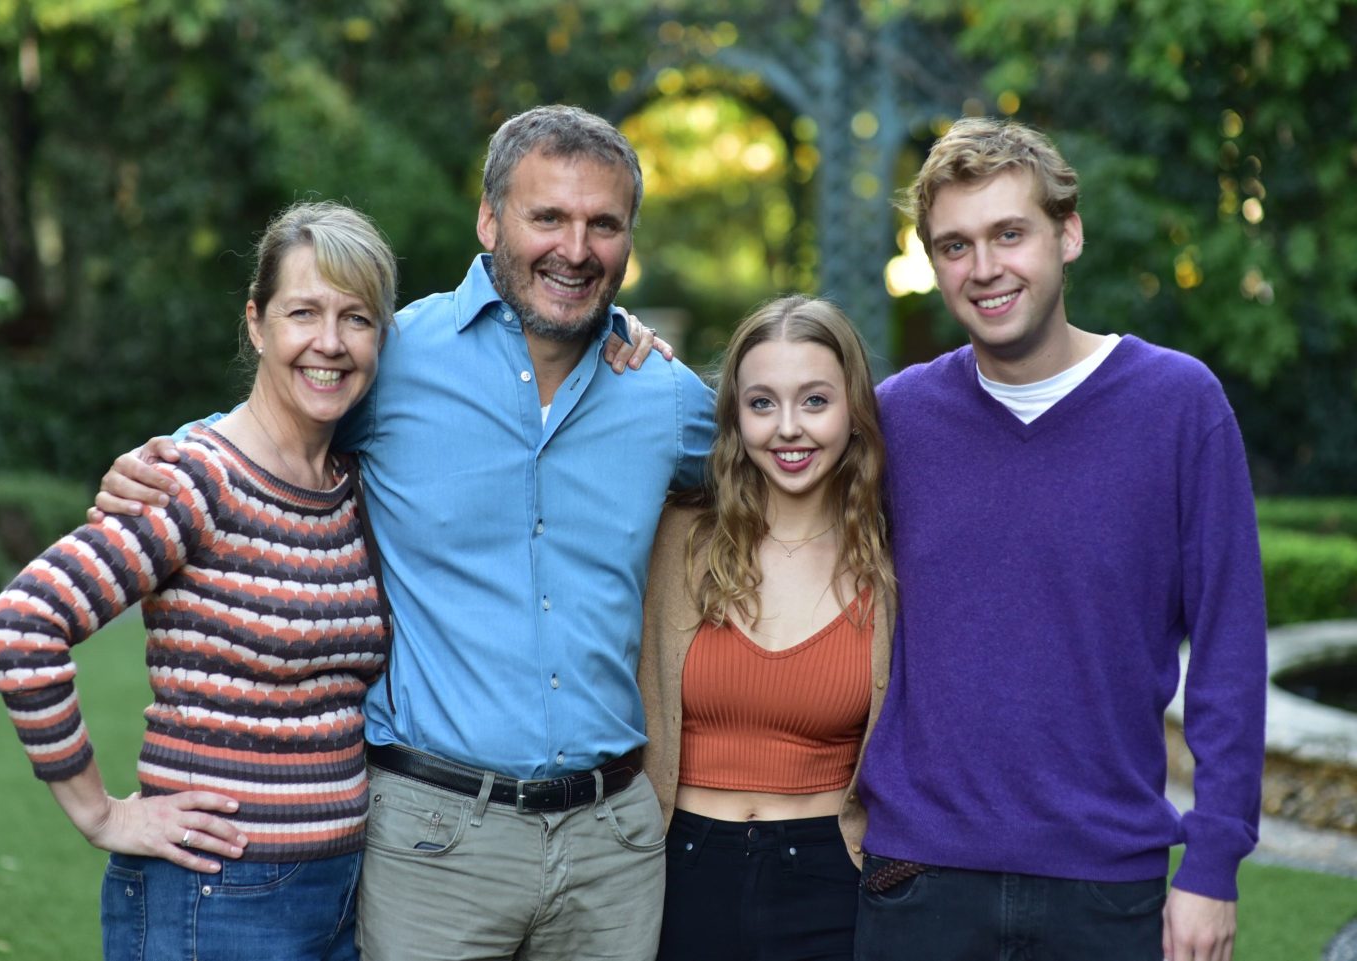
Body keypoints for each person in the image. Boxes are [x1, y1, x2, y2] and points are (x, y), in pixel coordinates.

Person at [93, 104, 716, 961]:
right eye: (548, 217)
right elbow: (275, 428)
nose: (575, 248)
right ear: (491, 219)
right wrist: (166, 456)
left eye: (603, 223)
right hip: (434, 840)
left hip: (613, 849)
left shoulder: (664, 397)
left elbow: (794, 464)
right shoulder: (396, 357)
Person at [854, 117, 1267, 961]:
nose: (985, 268)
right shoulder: (895, 418)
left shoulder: (1179, 406)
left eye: (1010, 233)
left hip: (1106, 881)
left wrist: (1213, 862)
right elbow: (759, 490)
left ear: (1067, 233)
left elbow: (1229, 644)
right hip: (919, 876)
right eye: (955, 245)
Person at [0, 201, 400, 961]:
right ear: (256, 323)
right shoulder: (195, 479)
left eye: (357, 318)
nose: (330, 343)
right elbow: (21, 625)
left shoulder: (352, 485)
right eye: (303, 311)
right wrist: (101, 814)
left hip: (341, 896)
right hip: (214, 898)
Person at [638, 296, 895, 961]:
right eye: (762, 403)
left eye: (814, 401)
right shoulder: (677, 539)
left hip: (828, 877)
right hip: (677, 868)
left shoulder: (890, 559)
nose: (788, 428)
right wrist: (623, 343)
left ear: (853, 410)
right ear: (734, 416)